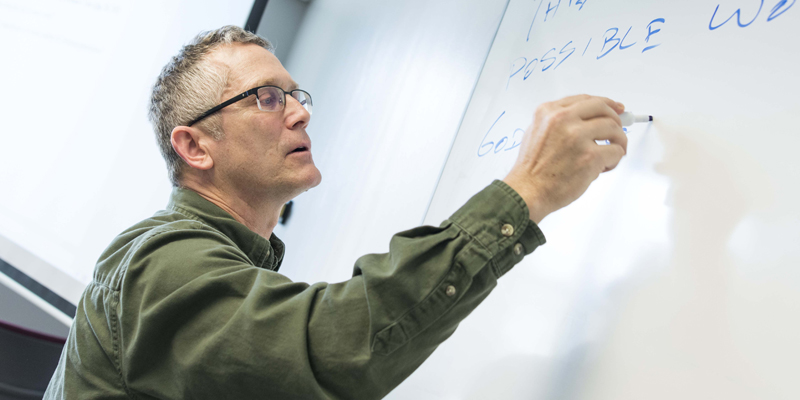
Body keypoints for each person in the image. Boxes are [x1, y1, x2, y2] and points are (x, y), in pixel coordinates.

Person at [44, 25, 627, 399]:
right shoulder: (157, 262)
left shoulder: (230, 268)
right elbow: (326, 347)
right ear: (195, 147)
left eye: (297, 96)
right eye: (267, 98)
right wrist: (525, 192)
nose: (299, 114)